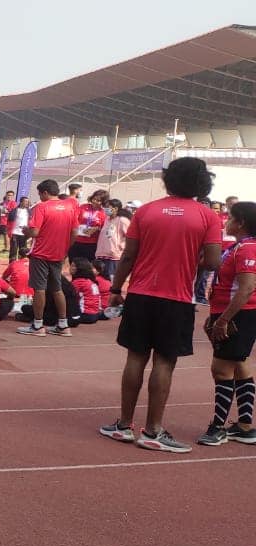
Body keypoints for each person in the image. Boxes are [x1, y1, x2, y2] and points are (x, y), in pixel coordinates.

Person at [102, 157, 223, 453]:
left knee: (135, 357)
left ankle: (123, 425)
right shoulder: (208, 217)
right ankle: (153, 430)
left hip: (141, 294)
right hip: (176, 298)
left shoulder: (146, 210)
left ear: (168, 179)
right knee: (165, 362)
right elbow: (212, 261)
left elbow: (128, 256)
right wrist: (189, 258)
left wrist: (116, 288)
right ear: (203, 182)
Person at [197, 201, 256, 446]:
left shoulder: (247, 249)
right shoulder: (239, 246)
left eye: (230, 218)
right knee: (240, 366)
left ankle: (218, 427)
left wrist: (223, 320)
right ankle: (245, 426)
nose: (227, 221)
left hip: (238, 315)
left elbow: (246, 288)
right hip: (232, 312)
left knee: (221, 369)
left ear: (241, 223)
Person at [17, 180, 77, 337]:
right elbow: (74, 232)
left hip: (41, 253)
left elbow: (35, 232)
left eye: (40, 194)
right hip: (58, 254)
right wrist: (65, 249)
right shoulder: (69, 207)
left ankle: (38, 325)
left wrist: (26, 231)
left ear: (45, 192)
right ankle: (63, 324)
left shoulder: (42, 207)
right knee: (57, 288)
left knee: (39, 289)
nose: (39, 197)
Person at [95, 198, 130, 281]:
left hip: (113, 257)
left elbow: (130, 236)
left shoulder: (122, 220)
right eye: (105, 207)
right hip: (101, 254)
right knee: (100, 280)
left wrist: (121, 246)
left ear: (115, 208)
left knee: (110, 281)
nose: (105, 209)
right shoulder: (107, 219)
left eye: (108, 207)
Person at [69, 191, 108, 263]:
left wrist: (97, 229)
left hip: (91, 244)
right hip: (77, 240)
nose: (95, 201)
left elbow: (105, 228)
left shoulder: (103, 213)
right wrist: (78, 227)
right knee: (73, 264)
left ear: (103, 202)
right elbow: (74, 219)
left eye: (98, 200)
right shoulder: (83, 207)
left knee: (87, 266)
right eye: (94, 199)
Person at [68, 258, 103, 324]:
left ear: (80, 268)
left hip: (85, 314)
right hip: (95, 314)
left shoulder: (78, 282)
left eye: (73, 266)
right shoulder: (89, 281)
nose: (70, 268)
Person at [7, 196, 30, 261]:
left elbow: (31, 222)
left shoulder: (29, 211)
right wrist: (9, 232)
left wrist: (29, 232)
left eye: (27, 201)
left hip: (24, 234)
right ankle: (12, 264)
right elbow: (9, 222)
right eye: (25, 201)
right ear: (21, 202)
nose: (27, 203)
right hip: (15, 233)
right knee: (13, 250)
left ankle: (21, 264)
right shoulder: (14, 211)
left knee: (23, 251)